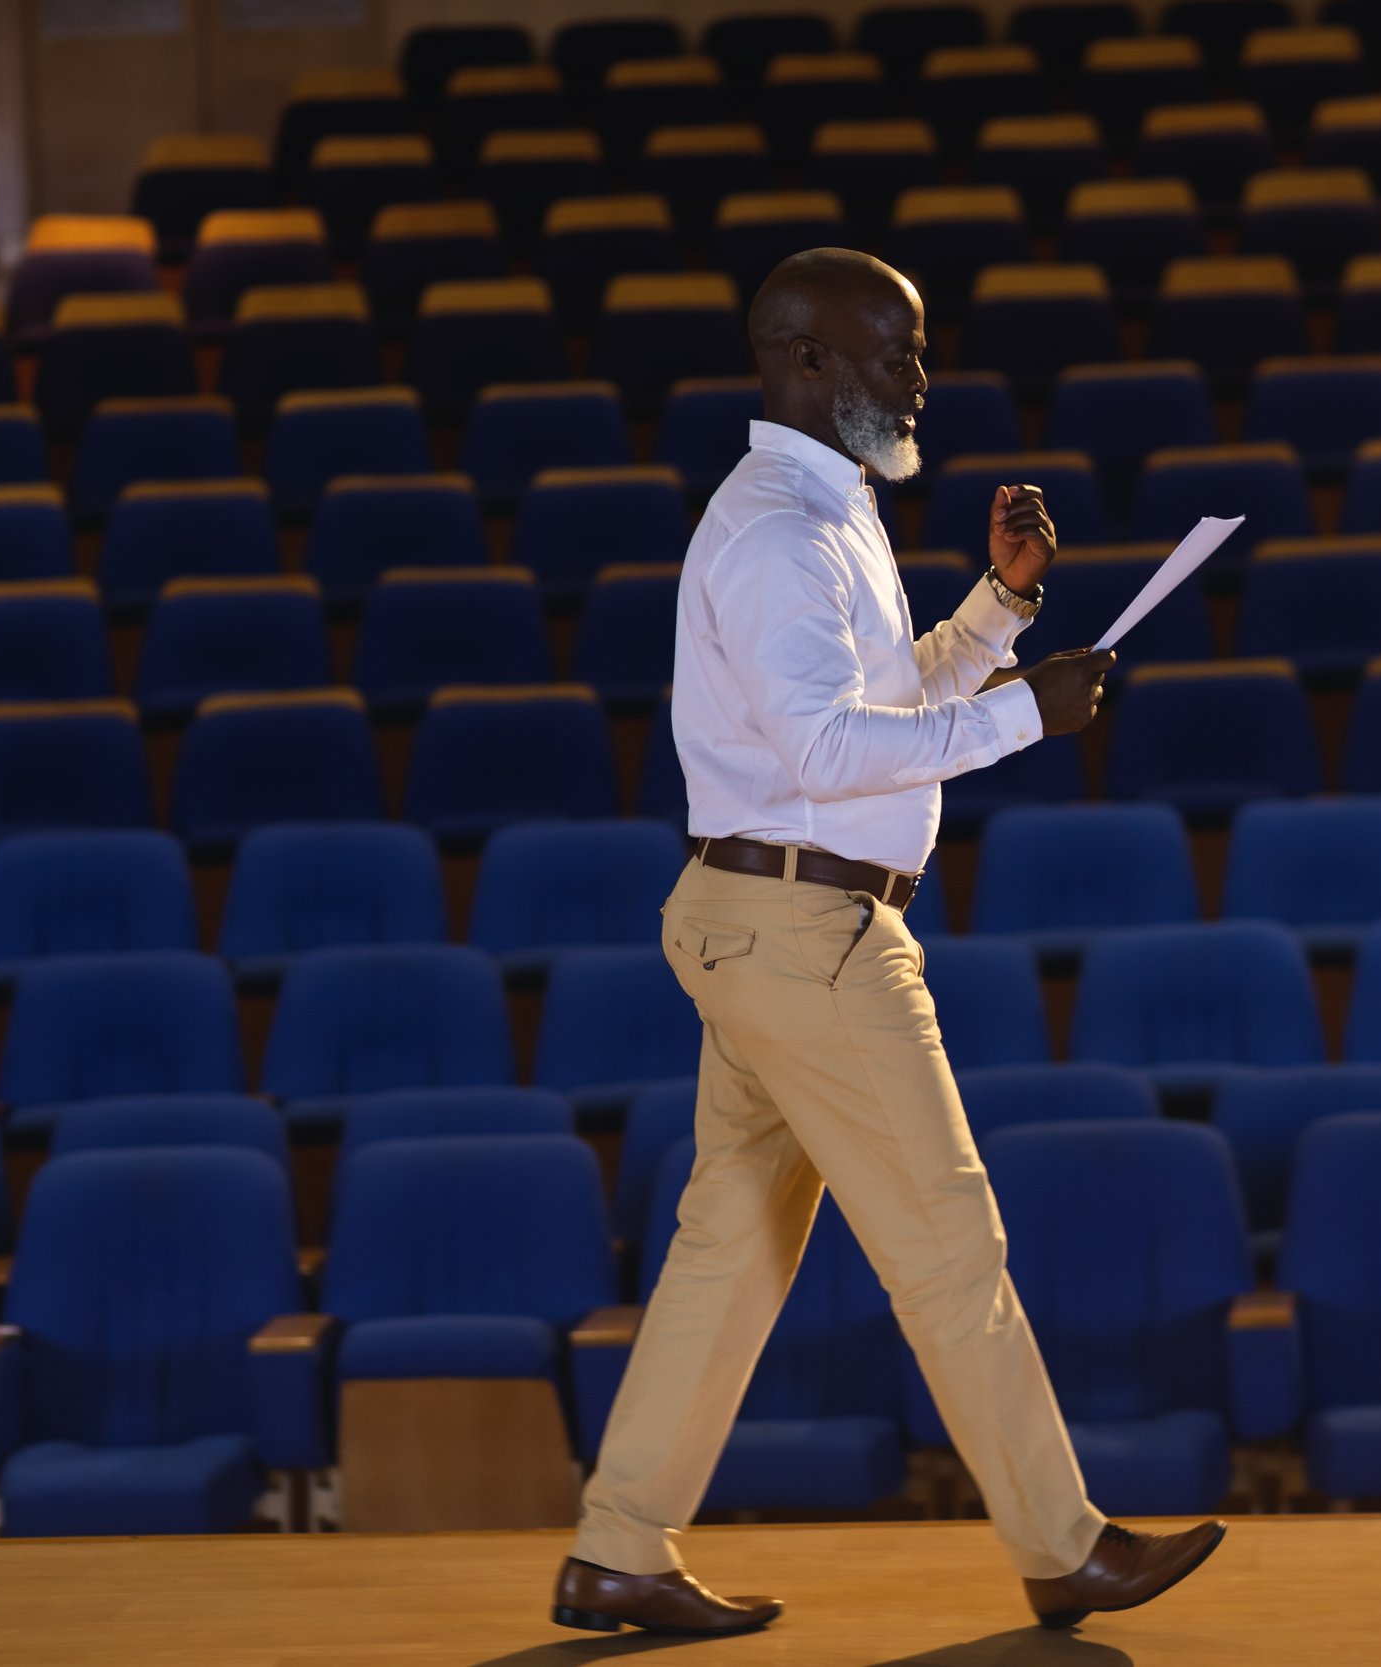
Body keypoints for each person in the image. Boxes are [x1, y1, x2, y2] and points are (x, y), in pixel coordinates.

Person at [551, 249, 1225, 1638]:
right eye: (893, 353)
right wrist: (1026, 717)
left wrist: (997, 612)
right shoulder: (778, 533)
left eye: (919, 352)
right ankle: (1061, 1547)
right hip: (805, 931)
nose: (919, 377)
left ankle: (618, 1547)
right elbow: (823, 747)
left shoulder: (827, 507)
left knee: (731, 1241)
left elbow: (876, 701)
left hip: (767, 922)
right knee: (947, 1246)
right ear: (801, 360)